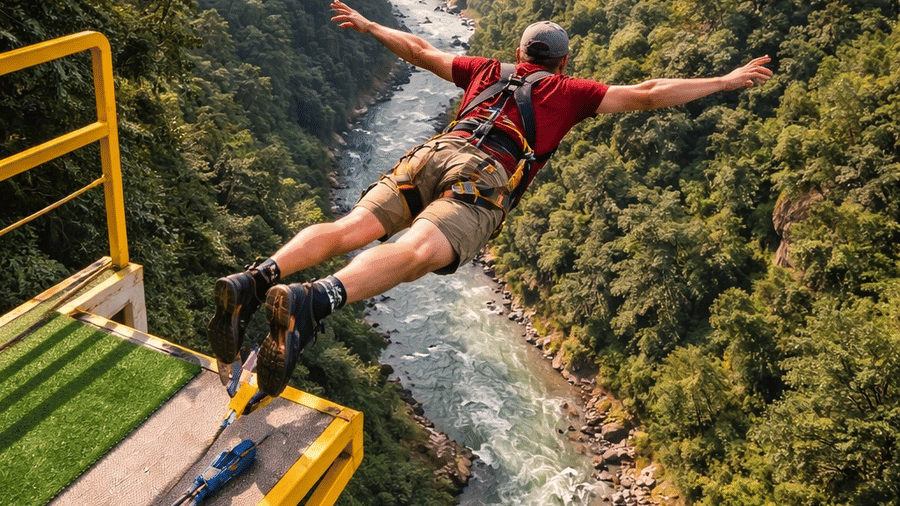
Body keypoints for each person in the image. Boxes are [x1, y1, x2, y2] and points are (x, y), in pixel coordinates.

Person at [207, 0, 774, 397]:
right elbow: (650, 95)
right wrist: (724, 81)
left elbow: (419, 49)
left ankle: (255, 280)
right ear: (562, 62)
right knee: (420, 251)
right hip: (483, 174)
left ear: (521, 53)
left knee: (353, 225)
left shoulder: (485, 70)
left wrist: (369, 25)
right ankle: (314, 301)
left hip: (432, 153)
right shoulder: (568, 93)